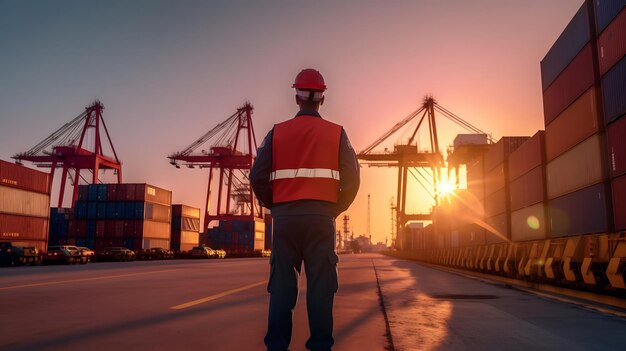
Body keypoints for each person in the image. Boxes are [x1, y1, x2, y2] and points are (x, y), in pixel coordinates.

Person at [250, 68, 360, 351]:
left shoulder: (277, 133)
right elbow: (353, 178)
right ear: (322, 97)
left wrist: (275, 206)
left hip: (285, 220)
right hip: (321, 218)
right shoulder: (337, 134)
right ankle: (321, 347)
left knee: (282, 289)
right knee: (321, 288)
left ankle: (277, 347)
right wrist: (334, 209)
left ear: (296, 97)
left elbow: (256, 177)